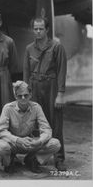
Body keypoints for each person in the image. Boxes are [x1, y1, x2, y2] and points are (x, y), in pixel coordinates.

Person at [23, 17, 67, 171]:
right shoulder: (29, 48)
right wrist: (25, 92)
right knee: (35, 123)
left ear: (47, 29)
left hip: (51, 86)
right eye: (35, 28)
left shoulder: (56, 46)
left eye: (41, 28)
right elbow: (26, 71)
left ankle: (59, 158)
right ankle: (35, 158)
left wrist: (60, 93)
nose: (38, 31)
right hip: (34, 86)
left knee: (55, 122)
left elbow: (62, 70)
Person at [0, 81, 61, 173]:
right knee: (0, 146)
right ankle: (9, 161)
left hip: (30, 142)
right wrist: (17, 140)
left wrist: (39, 141)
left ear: (30, 95)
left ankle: (33, 160)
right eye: (19, 96)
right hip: (14, 143)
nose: (23, 98)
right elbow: (1, 131)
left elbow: (46, 129)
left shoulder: (36, 107)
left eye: (26, 95)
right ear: (15, 96)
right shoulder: (8, 108)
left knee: (55, 144)